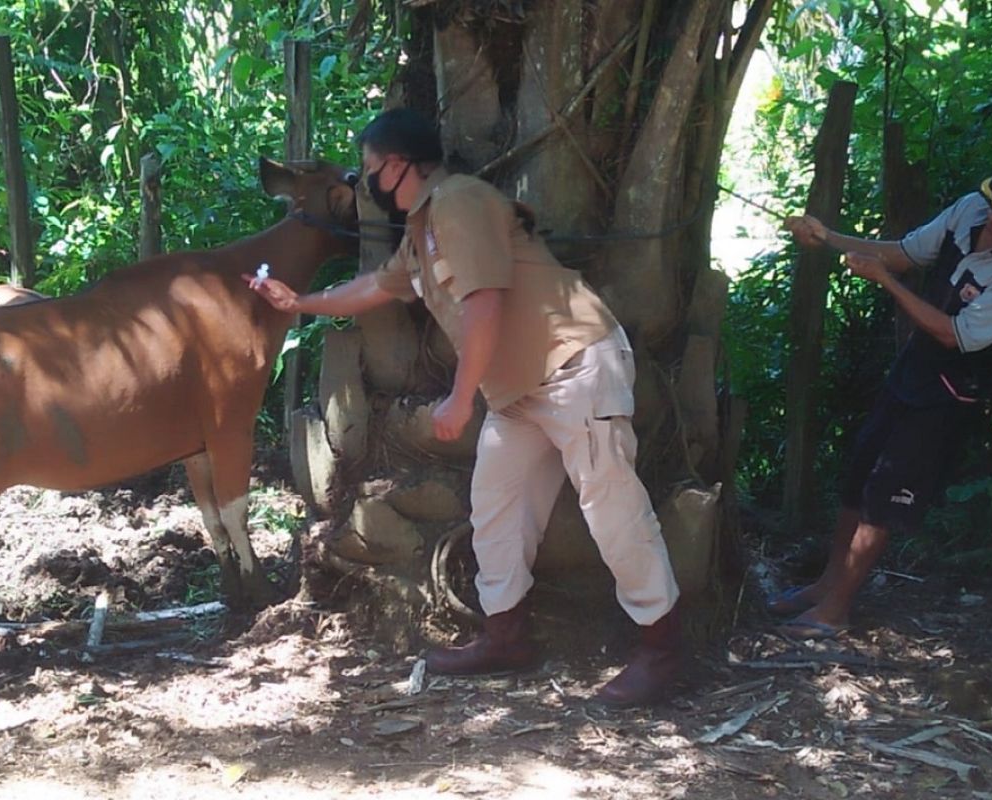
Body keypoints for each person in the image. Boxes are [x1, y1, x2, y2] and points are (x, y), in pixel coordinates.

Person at [245, 108, 684, 706]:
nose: (366, 182)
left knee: (613, 506)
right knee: (495, 509)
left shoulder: (458, 201)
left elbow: (484, 302)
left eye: (370, 170)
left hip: (575, 365)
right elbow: (375, 287)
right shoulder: (421, 232)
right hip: (519, 394)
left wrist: (457, 397)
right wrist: (298, 302)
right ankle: (506, 637)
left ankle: (661, 651)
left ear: (398, 166)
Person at [776, 161, 992, 638]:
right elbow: (906, 254)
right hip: (912, 368)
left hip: (949, 394)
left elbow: (953, 334)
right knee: (861, 472)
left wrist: (886, 283)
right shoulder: (968, 210)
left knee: (885, 495)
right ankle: (823, 586)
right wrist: (829, 237)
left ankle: (836, 610)